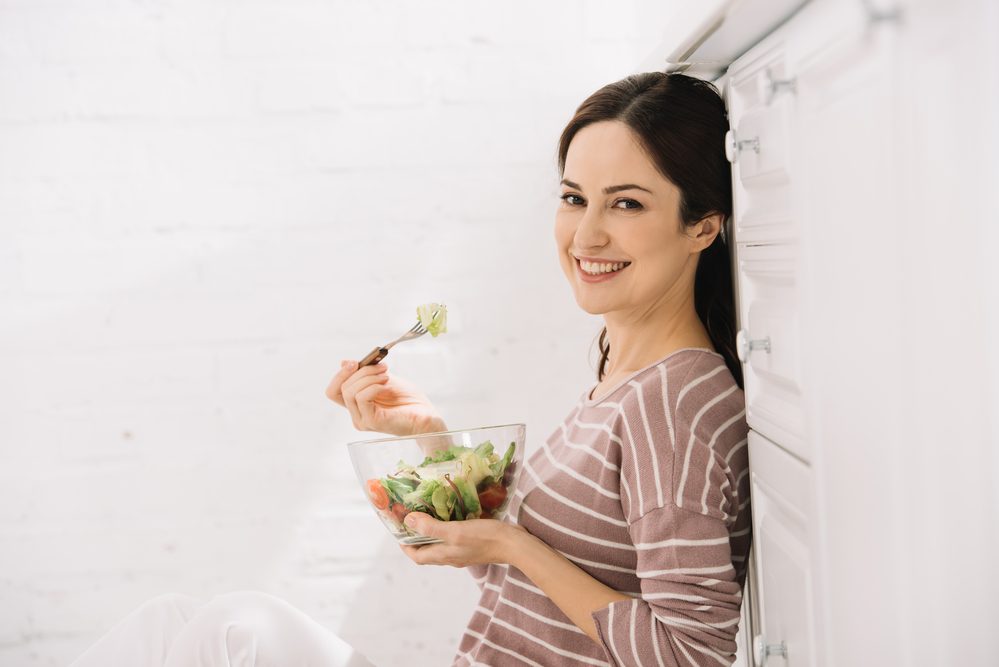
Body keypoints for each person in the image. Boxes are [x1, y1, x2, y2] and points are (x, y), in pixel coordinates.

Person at [70, 71, 750, 667]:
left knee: (233, 629)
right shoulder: (624, 378)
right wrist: (426, 435)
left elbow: (689, 654)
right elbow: (526, 589)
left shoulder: (672, 402)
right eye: (574, 197)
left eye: (626, 203)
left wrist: (516, 545)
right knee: (173, 621)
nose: (586, 234)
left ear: (701, 225)